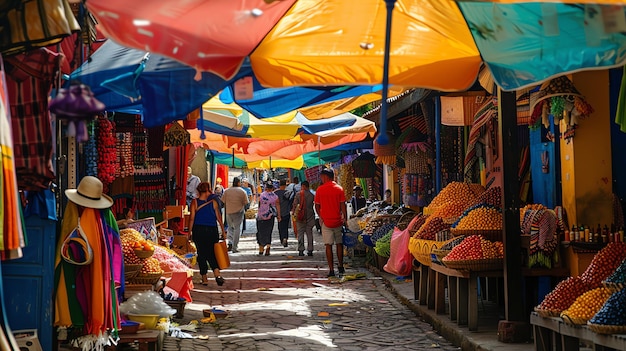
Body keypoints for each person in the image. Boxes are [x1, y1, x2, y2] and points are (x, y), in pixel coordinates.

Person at [188, 181, 226, 286]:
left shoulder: (194, 202)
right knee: (212, 253)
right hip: (212, 230)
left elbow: (191, 219)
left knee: (201, 254)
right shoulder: (213, 202)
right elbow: (219, 218)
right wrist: (223, 231)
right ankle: (217, 274)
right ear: (208, 190)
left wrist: (189, 233)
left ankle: (204, 278)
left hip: (198, 230)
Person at [314, 168, 347, 277]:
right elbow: (343, 206)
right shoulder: (339, 189)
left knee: (328, 245)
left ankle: (331, 270)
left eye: (322, 177)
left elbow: (317, 206)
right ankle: (341, 266)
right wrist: (345, 218)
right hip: (338, 221)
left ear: (325, 177)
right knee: (339, 244)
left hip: (326, 222)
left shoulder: (320, 190)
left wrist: (321, 216)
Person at [221, 177, 248, 253]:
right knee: (237, 229)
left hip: (229, 212)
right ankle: (234, 247)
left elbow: (222, 201)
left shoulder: (227, 191)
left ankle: (230, 242)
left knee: (230, 228)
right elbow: (246, 203)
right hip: (239, 212)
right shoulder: (242, 191)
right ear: (238, 183)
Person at [256, 181, 280, 256]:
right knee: (269, 231)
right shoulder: (275, 197)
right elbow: (278, 206)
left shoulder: (262, 195)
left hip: (261, 216)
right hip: (270, 216)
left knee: (261, 231)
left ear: (265, 188)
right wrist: (279, 215)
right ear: (272, 188)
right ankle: (268, 247)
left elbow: (259, 205)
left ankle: (261, 248)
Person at [292, 181, 315, 256]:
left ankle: (301, 250)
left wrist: (294, 214)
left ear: (303, 186)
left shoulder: (298, 194)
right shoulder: (312, 195)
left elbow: (295, 205)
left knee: (300, 233)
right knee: (309, 233)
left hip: (300, 217)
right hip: (310, 216)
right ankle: (310, 249)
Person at [274, 179, 292, 247]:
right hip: (286, 212)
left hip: (279, 213)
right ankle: (285, 238)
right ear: (285, 185)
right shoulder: (288, 192)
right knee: (285, 227)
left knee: (280, 227)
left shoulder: (276, 193)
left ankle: (282, 239)